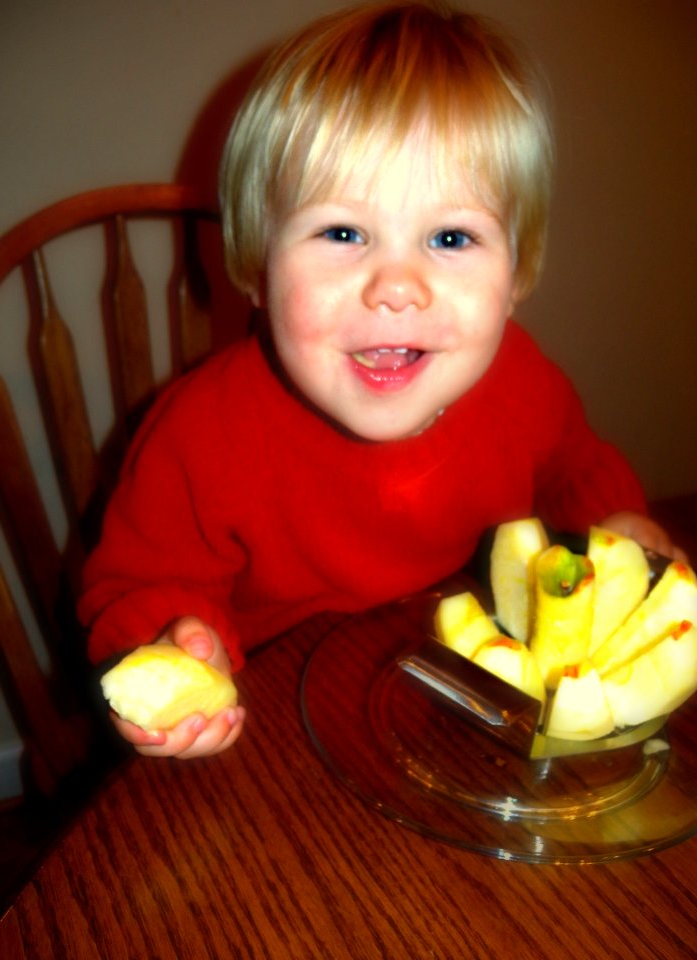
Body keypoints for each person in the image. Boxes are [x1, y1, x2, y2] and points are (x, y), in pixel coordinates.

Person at [79, 0, 684, 760]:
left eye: (451, 237)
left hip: (459, 706)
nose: (398, 285)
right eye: (342, 233)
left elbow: (573, 461)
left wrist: (616, 521)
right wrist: (173, 642)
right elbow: (130, 589)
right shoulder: (198, 439)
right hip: (272, 742)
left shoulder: (520, 378)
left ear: (518, 275)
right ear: (255, 269)